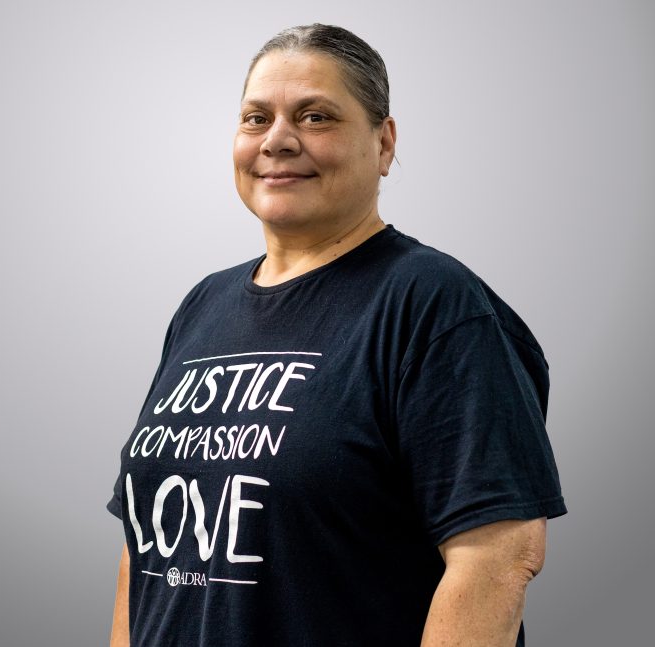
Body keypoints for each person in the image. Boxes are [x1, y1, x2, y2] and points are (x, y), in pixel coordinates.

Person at [107, 23, 566, 647]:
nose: (277, 140)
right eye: (256, 118)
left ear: (384, 143)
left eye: (315, 117)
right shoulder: (203, 307)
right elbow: (144, 555)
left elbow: (498, 557)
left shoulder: (431, 304)